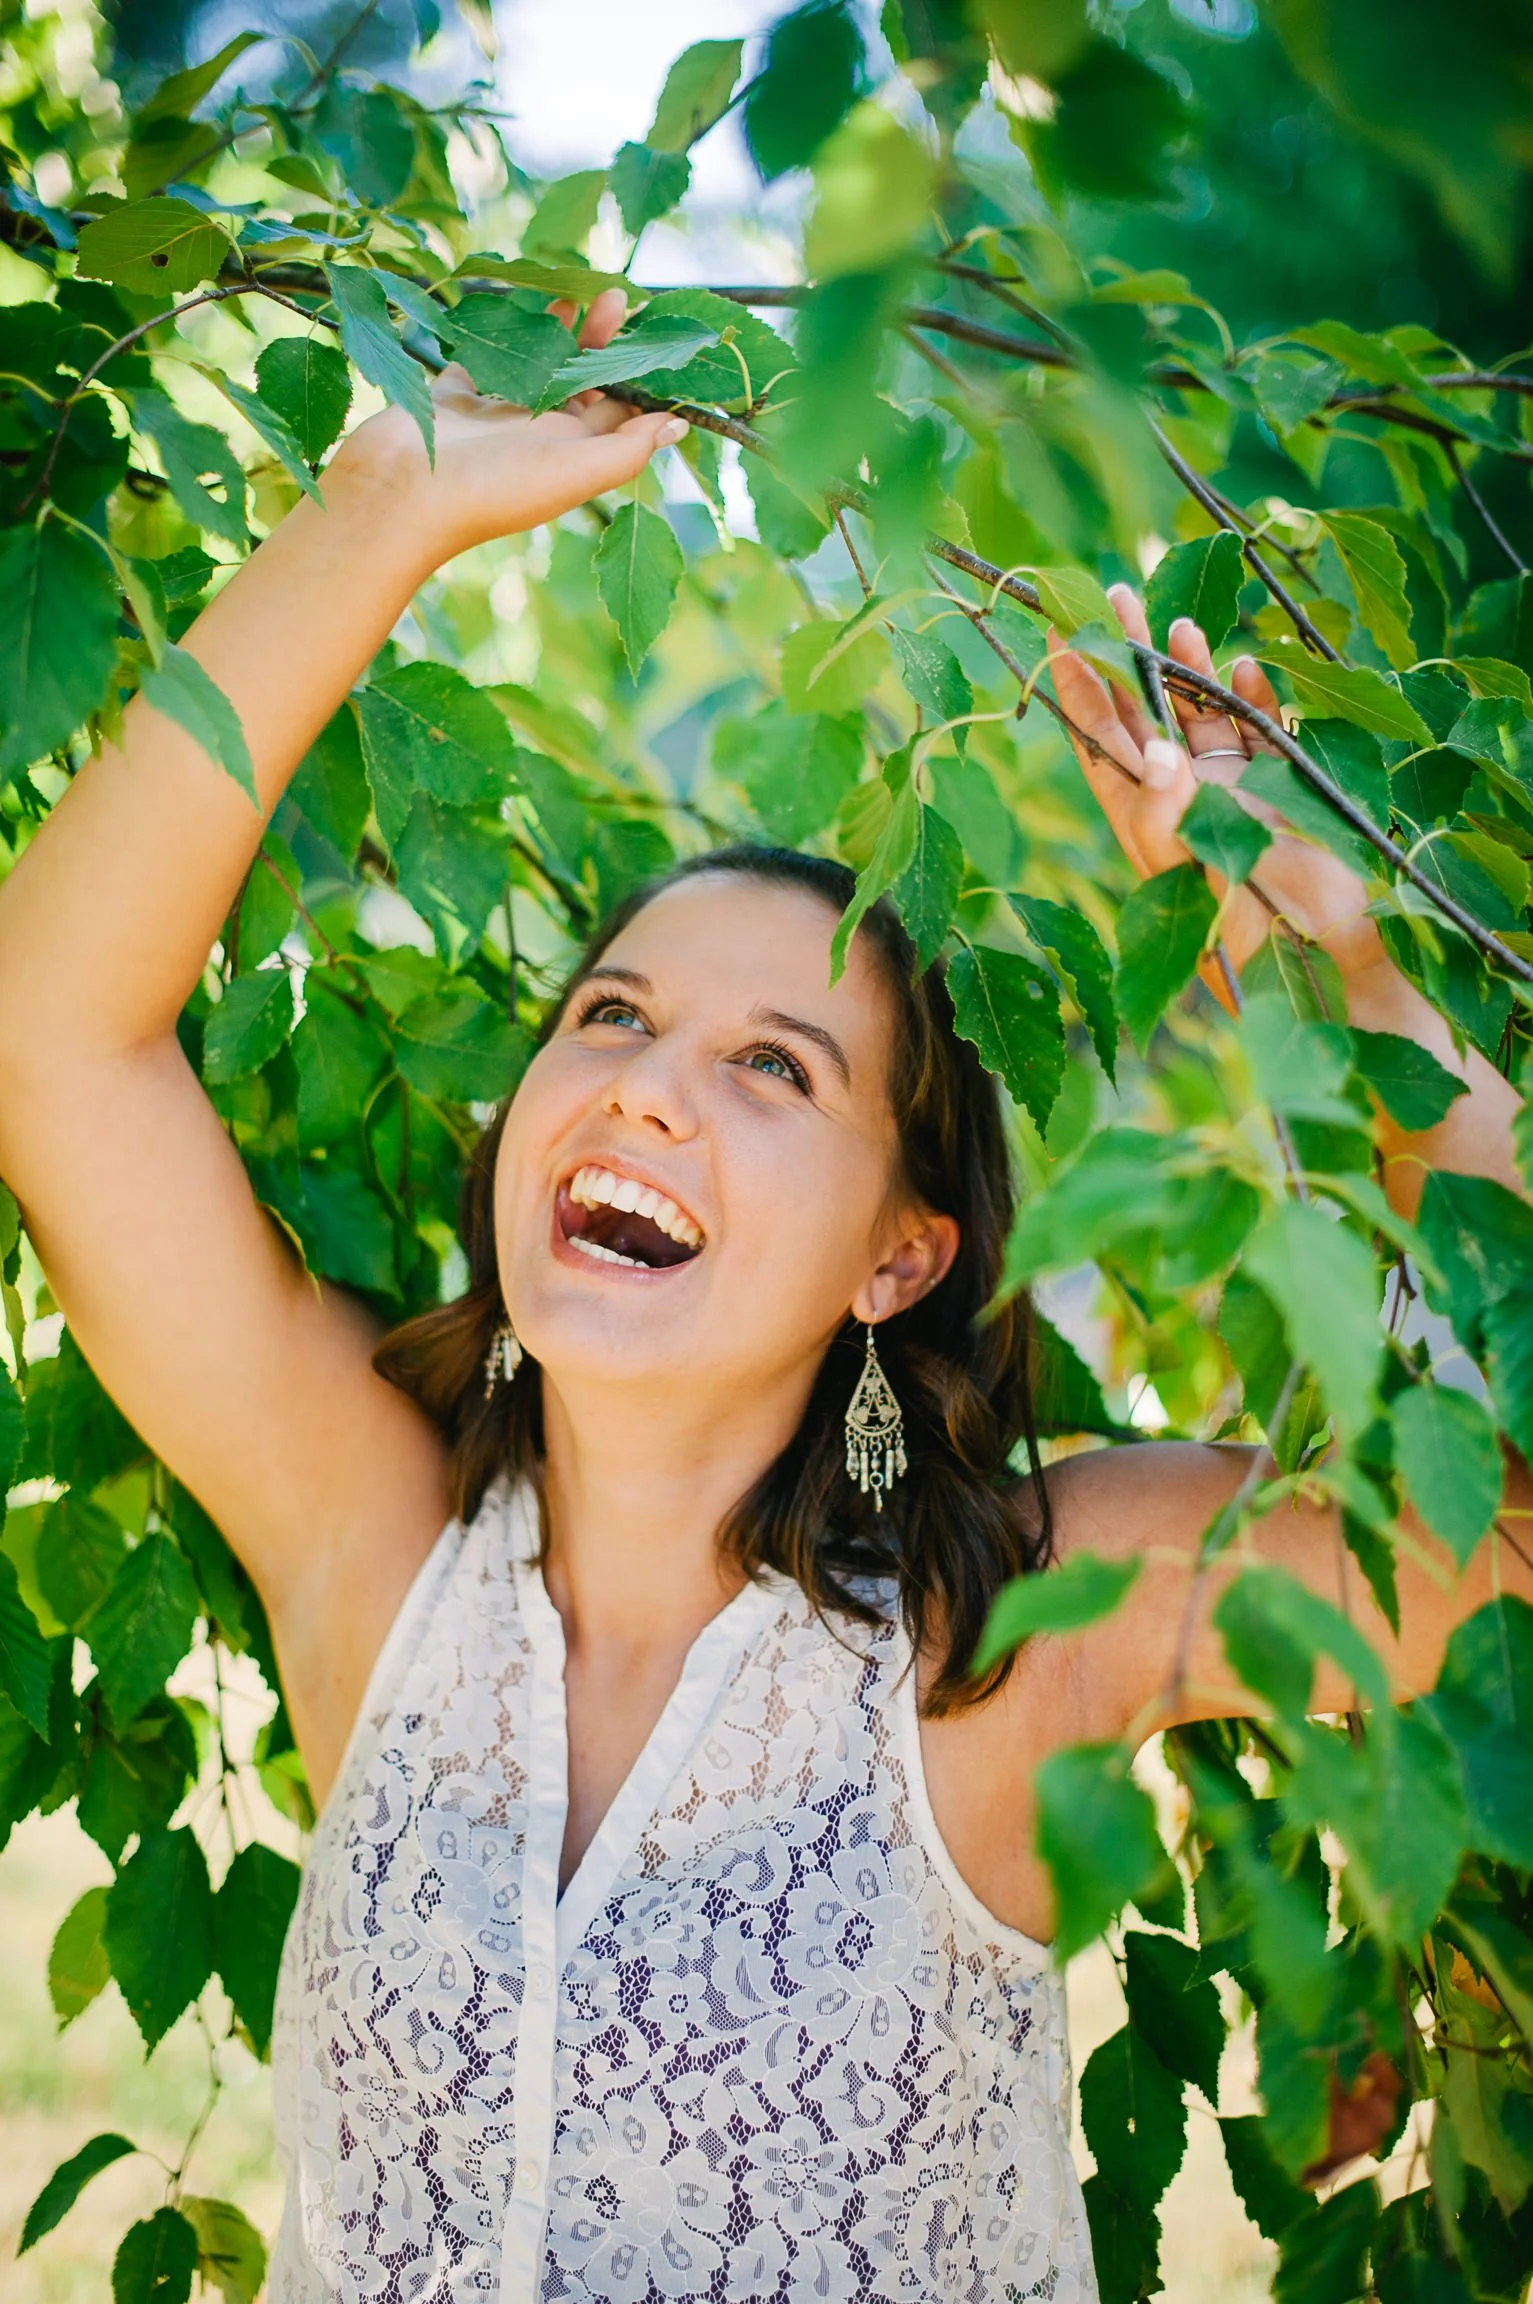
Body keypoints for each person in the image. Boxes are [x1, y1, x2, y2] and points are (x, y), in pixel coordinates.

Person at [0, 290, 1524, 2304]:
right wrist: (381, 507)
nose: (642, 1078)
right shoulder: (371, 1555)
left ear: (903, 1254)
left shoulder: (1017, 1634)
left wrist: (1355, 983)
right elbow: (47, 1037)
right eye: (613, 1013)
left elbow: (1501, 1560)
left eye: (771, 1068)